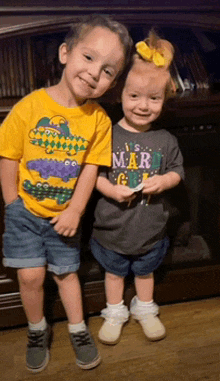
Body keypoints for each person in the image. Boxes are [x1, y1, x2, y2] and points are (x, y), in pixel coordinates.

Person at [0, 14, 132, 371]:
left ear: (113, 83)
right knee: (30, 276)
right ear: (64, 54)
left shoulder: (98, 121)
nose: (94, 72)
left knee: (66, 274)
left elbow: (91, 168)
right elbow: (9, 155)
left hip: (64, 217)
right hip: (25, 213)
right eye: (88, 58)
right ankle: (37, 329)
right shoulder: (28, 107)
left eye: (107, 71)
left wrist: (75, 210)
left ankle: (78, 330)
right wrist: (12, 203)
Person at [90, 30, 184, 345]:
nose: (143, 106)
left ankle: (145, 308)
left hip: (151, 230)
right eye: (134, 97)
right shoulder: (107, 134)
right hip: (112, 229)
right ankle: (114, 311)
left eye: (153, 99)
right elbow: (92, 176)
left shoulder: (165, 140)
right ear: (121, 94)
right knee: (114, 273)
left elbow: (177, 172)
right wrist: (109, 190)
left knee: (145, 273)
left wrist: (164, 181)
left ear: (164, 98)